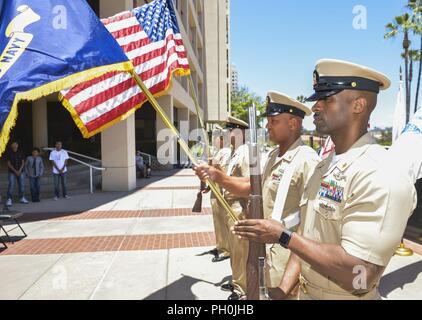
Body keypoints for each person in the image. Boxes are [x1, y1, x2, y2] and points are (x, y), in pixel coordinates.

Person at [232, 59, 417, 300]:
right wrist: (282, 290)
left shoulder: (381, 174)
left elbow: (360, 274)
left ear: (358, 106)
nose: (316, 107)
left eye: (327, 99)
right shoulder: (324, 166)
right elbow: (306, 237)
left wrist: (283, 236)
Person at [195, 92, 320, 298]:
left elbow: (312, 224)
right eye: (268, 120)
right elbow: (250, 187)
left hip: (289, 257)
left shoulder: (307, 160)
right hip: (267, 252)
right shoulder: (272, 155)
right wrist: (218, 176)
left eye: (274, 120)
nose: (268, 126)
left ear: (293, 123)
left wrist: (298, 274)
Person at [195, 116, 250, 300]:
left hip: (239, 207)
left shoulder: (245, 153)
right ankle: (237, 281)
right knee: (235, 250)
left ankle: (243, 289)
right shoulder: (234, 152)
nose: (227, 134)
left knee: (241, 251)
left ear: (240, 132)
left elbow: (249, 184)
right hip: (228, 204)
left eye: (230, 130)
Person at [207, 126, 232, 263]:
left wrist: (214, 166)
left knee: (223, 221)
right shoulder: (217, 152)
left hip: (221, 191)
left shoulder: (226, 152)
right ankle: (220, 245)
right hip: (214, 190)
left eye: (217, 137)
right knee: (217, 221)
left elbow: (224, 173)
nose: (215, 140)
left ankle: (226, 249)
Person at [5, 142, 29, 206]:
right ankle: (9, 199)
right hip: (12, 172)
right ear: (11, 146)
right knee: (11, 185)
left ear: (17, 146)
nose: (15, 146)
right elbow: (8, 164)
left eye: (16, 145)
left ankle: (22, 198)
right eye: (13, 145)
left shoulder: (21, 152)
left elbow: (23, 162)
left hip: (21, 171)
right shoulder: (9, 153)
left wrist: (19, 170)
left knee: (22, 185)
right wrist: (15, 171)